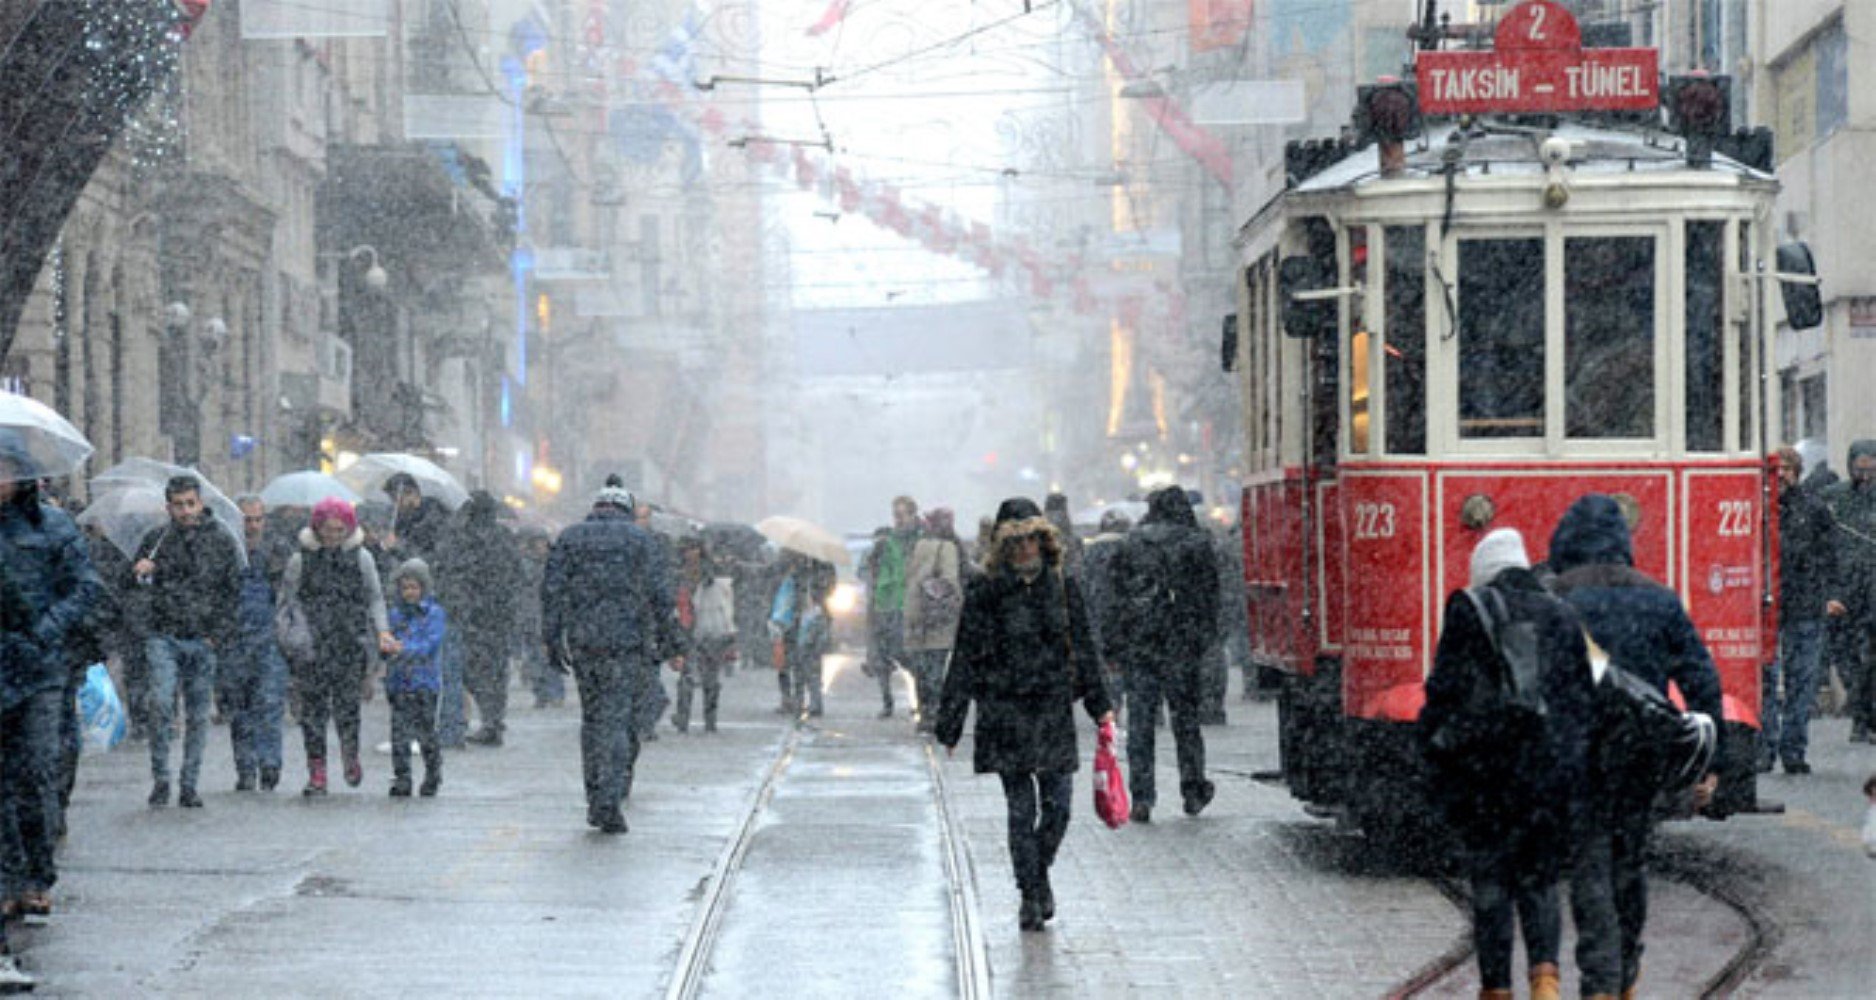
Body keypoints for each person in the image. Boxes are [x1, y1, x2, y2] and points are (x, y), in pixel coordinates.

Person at [1547, 494, 1723, 1000]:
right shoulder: (1660, 599)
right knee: (1630, 861)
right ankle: (1627, 968)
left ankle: (1600, 980)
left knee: (1589, 864)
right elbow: (1702, 681)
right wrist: (1711, 762)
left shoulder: (1557, 596)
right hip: (1640, 755)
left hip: (1578, 752)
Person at [1420, 529, 1596, 1000]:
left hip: (1487, 771)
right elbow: (1582, 698)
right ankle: (1546, 979)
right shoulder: (1562, 613)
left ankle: (1496, 988)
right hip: (1546, 770)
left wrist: (1433, 755)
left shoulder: (1469, 610)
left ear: (1485, 571)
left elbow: (1443, 692)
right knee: (1540, 877)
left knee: (1491, 881)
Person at [936, 497, 1114, 932]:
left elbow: (1085, 648)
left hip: (1052, 708)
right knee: (1020, 810)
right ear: (1002, 546)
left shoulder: (1063, 586)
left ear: (1043, 540)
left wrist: (1101, 706)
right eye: (1015, 543)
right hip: (1004, 711)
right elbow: (966, 656)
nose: (1024, 550)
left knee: (1059, 810)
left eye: (1031, 540)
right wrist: (952, 720)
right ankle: (1031, 894)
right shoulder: (986, 590)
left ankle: (1038, 874)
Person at [0, 442, 102, 931]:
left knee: (37, 773)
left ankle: (37, 875)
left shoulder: (53, 525)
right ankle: (8, 878)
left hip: (39, 670)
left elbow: (85, 587)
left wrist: (46, 628)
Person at [540, 482, 675, 834]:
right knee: (616, 720)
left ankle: (594, 794)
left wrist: (552, 639)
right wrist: (671, 638)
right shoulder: (639, 541)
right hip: (626, 643)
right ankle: (609, 798)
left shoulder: (570, 538)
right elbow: (661, 594)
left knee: (592, 719)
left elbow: (551, 592)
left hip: (584, 643)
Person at [1107, 485, 1221, 822]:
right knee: (1185, 720)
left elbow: (1114, 598)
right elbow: (1210, 598)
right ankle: (1193, 787)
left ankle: (1142, 795)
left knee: (1140, 721)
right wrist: (1203, 638)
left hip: (1140, 645)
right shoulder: (1196, 543)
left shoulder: (1131, 543)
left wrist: (1114, 644)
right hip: (1181, 645)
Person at [129, 475, 241, 808]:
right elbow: (132, 587)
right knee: (161, 703)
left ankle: (189, 782)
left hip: (202, 637)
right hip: (163, 634)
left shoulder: (220, 539)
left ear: (201, 503)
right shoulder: (157, 539)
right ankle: (161, 777)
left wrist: (217, 635)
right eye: (178, 505)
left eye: (190, 503)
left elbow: (232, 592)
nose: (185, 511)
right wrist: (140, 571)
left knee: (197, 713)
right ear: (168, 507)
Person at [282, 498, 393, 797]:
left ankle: (349, 754)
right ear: (316, 528)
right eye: (327, 529)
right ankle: (317, 772)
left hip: (349, 642)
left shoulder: (361, 558)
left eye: (339, 529)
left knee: (347, 708)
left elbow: (375, 597)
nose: (333, 535)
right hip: (312, 646)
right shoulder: (301, 560)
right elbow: (288, 602)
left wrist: (381, 631)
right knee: (313, 712)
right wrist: (289, 636)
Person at [1764, 446, 1845, 774]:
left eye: (1786, 468)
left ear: (1796, 472)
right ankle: (1765, 747)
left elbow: (1832, 555)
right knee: (1765, 679)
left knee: (1802, 682)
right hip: (1767, 607)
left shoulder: (1813, 509)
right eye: (1775, 468)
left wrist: (1834, 594)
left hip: (1806, 605)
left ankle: (1793, 749)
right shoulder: (1757, 508)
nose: (1780, 474)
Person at [437, 491, 523, 747]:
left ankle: (487, 719)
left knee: (470, 670)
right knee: (496, 671)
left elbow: (449, 572)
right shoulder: (503, 538)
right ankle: (493, 720)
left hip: (471, 616)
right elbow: (516, 575)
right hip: (497, 616)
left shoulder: (461, 538)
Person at [222, 496, 291, 792]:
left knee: (270, 702)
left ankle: (270, 763)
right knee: (239, 707)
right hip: (234, 638)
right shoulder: (226, 550)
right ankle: (246, 767)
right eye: (246, 520)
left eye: (257, 519)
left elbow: (288, 593)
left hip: (269, 638)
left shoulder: (278, 551)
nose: (252, 525)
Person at [1822, 440, 1876, 742]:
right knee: (1842, 654)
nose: (1866, 477)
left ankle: (1865, 714)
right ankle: (1861, 708)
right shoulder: (1834, 498)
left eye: (1871, 470)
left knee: (1871, 658)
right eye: (1860, 470)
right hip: (1842, 588)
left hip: (1872, 588)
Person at [383, 559, 446, 797]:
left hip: (424, 683)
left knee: (426, 732)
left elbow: (430, 644)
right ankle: (403, 776)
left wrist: (403, 649)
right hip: (399, 682)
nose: (410, 592)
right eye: (405, 587)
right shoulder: (395, 615)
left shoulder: (434, 614)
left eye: (414, 587)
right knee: (399, 734)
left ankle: (432, 772)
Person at [903, 508, 964, 732]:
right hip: (937, 616)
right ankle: (934, 713)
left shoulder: (917, 545)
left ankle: (925, 712)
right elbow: (950, 580)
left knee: (921, 669)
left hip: (916, 613)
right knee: (935, 669)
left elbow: (908, 578)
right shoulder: (948, 547)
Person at [864, 496, 921, 718]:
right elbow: (872, 572)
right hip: (885, 605)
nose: (897, 519)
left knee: (908, 657)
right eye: (895, 514)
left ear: (912, 515)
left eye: (901, 514)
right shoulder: (886, 542)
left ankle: (922, 699)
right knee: (880, 656)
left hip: (909, 606)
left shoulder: (920, 539)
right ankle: (887, 702)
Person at [674, 540, 735, 734]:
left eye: (694, 549)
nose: (691, 553)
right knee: (688, 678)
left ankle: (709, 720)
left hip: (708, 630)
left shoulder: (709, 574)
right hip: (688, 631)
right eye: (688, 549)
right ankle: (684, 719)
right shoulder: (679, 574)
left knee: (709, 678)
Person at [769, 552, 834, 720]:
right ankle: (797, 700)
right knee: (794, 662)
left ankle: (810, 701)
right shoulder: (791, 570)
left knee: (809, 661)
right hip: (795, 622)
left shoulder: (822, 569)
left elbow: (828, 590)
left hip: (812, 621)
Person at [514, 526, 562, 708]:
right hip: (530, 617)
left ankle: (555, 692)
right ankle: (541, 693)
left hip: (547, 617)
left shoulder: (554, 563)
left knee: (550, 658)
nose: (541, 546)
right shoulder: (524, 563)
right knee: (535, 659)